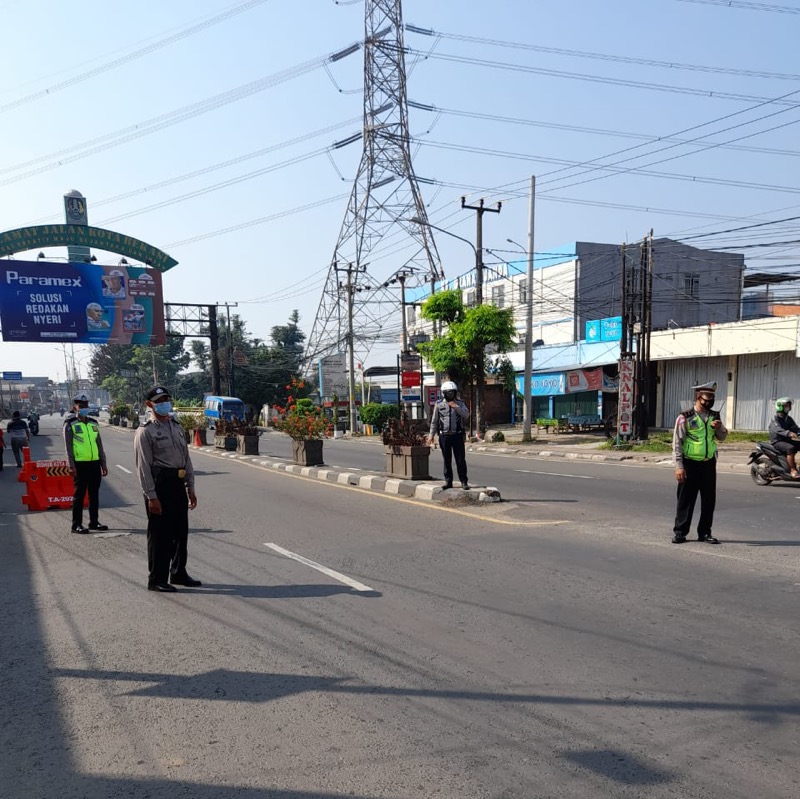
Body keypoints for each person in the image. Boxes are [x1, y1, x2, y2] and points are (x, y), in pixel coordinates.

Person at [133, 385, 199, 593]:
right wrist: (151, 496)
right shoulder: (145, 431)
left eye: (166, 400)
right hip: (159, 485)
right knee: (160, 534)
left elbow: (186, 459)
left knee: (180, 531)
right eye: (160, 401)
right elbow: (143, 467)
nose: (164, 404)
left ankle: (178, 572)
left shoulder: (176, 426)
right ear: (149, 404)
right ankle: (157, 578)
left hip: (177, 482)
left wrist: (190, 486)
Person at [671, 381, 728, 545]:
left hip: (709, 463)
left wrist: (720, 427)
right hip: (690, 464)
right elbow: (677, 443)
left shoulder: (714, 416)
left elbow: (722, 437)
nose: (710, 400)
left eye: (712, 397)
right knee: (686, 500)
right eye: (707, 397)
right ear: (698, 397)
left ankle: (704, 532)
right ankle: (680, 532)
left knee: (709, 500)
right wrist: (679, 466)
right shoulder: (685, 417)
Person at [64, 393, 109, 534]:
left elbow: (99, 444)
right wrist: (71, 465)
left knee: (94, 495)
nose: (84, 408)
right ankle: (76, 524)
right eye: (81, 406)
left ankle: (94, 522)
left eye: (86, 405)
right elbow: (68, 446)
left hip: (94, 463)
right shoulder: (70, 423)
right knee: (79, 495)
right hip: (79, 464)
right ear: (75, 407)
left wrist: (103, 463)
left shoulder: (93, 423)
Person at [428, 380, 471, 490]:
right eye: (448, 393)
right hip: (444, 436)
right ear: (444, 393)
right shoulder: (439, 404)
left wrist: (456, 406)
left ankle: (464, 481)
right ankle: (448, 481)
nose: (450, 395)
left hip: (457, 435)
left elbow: (466, 415)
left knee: (460, 460)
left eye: (452, 393)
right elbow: (434, 421)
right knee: (446, 459)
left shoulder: (460, 403)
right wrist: (431, 435)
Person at [768, 397, 800, 478]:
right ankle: (793, 470)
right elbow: (778, 429)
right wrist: (789, 433)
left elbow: (795, 428)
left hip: (786, 440)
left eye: (789, 405)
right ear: (780, 406)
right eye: (786, 406)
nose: (789, 407)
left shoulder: (788, 418)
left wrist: (798, 432)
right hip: (777, 441)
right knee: (790, 448)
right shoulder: (775, 418)